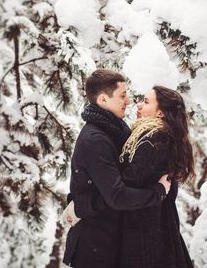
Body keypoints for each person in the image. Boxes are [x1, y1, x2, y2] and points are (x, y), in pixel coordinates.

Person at [63, 70, 171, 268]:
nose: (128, 101)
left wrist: (81, 206)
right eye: (122, 96)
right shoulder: (95, 140)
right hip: (94, 247)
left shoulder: (116, 131)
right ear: (103, 99)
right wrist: (157, 192)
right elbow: (117, 195)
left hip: (111, 243)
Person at [119, 86, 195, 268]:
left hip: (146, 237)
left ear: (160, 113)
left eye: (145, 102)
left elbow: (126, 183)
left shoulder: (157, 140)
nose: (138, 106)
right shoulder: (153, 136)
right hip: (152, 229)